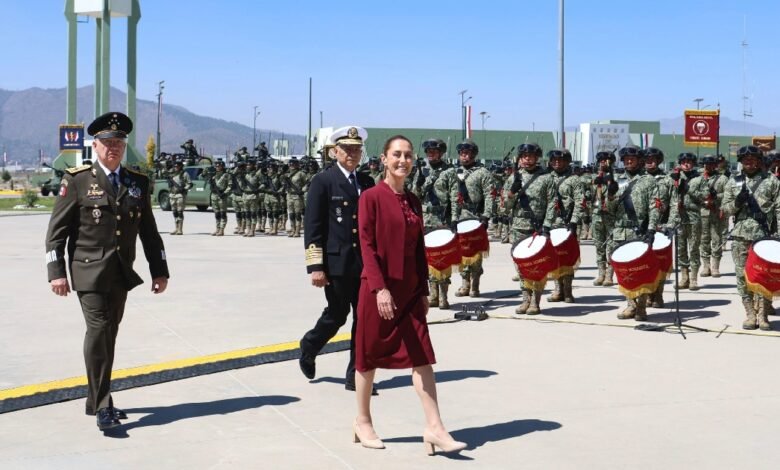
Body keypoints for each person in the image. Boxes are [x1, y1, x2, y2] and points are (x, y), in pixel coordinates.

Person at [44, 111, 169, 431]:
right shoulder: (77, 179)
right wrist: (56, 272)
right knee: (99, 331)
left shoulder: (137, 182)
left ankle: (94, 398)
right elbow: (56, 233)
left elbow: (150, 233)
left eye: (119, 142)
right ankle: (103, 405)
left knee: (109, 334)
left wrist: (160, 270)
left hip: (121, 271)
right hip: (87, 271)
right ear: (95, 146)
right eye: (107, 142)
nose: (113, 147)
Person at [353, 135, 466, 455]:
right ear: (384, 159)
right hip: (379, 291)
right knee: (368, 358)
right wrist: (380, 289)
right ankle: (362, 421)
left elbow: (419, 250)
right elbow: (367, 247)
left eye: (407, 155)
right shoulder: (371, 198)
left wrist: (424, 291)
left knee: (423, 358)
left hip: (410, 292)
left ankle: (435, 428)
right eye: (396, 155)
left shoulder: (413, 200)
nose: (403, 160)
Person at [299, 126, 377, 393]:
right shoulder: (324, 181)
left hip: (365, 264)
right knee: (337, 315)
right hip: (337, 264)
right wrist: (316, 266)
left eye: (357, 149)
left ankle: (356, 375)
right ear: (335, 152)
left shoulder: (367, 182)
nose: (352, 154)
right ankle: (310, 345)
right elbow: (313, 226)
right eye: (347, 149)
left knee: (364, 320)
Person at [721, 145, 779, 330]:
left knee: (763, 275)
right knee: (742, 276)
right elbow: (725, 209)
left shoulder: (771, 181)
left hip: (764, 237)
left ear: (759, 161)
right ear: (741, 162)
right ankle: (750, 314)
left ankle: (763, 314)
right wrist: (737, 202)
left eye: (753, 159)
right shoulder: (733, 182)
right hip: (740, 236)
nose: (749, 163)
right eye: (746, 160)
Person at [607, 145, 659, 321]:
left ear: (640, 161)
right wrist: (610, 196)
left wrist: (651, 229)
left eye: (633, 159)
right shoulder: (618, 181)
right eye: (626, 159)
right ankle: (631, 305)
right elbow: (609, 210)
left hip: (639, 232)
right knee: (624, 271)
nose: (629, 161)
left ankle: (642, 306)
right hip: (620, 232)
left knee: (640, 270)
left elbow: (654, 208)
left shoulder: (649, 181)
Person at [504, 143, 556, 314]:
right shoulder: (513, 178)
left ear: (537, 158)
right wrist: (512, 193)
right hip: (518, 227)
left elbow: (552, 204)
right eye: (524, 156)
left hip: (538, 228)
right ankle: (525, 299)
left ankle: (536, 301)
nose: (527, 159)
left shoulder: (546, 178)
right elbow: (504, 206)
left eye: (531, 156)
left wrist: (547, 225)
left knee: (537, 266)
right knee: (521, 266)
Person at [412, 138, 456, 309]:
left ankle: (444, 295)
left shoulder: (449, 171)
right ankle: (433, 294)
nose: (431, 155)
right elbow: (416, 196)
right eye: (429, 152)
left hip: (442, 220)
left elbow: (454, 195)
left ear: (441, 153)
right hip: (425, 220)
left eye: (434, 152)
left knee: (442, 259)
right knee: (428, 260)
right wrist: (419, 183)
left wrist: (454, 219)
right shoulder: (421, 170)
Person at [449, 139, 496, 297]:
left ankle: (475, 285)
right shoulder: (454, 172)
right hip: (460, 216)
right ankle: (465, 284)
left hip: (476, 217)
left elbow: (490, 196)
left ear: (474, 155)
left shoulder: (482, 173)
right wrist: (452, 217)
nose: (465, 156)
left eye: (468, 153)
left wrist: (486, 216)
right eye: (462, 153)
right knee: (462, 252)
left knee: (475, 253)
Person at [547, 148, 585, 303]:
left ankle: (568, 290)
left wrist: (574, 221)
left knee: (567, 258)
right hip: (550, 225)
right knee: (554, 258)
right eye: (554, 160)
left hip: (568, 223)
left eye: (561, 160)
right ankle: (557, 289)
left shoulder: (574, 180)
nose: (557, 163)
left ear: (567, 161)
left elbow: (580, 203)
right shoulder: (545, 178)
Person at [667, 153, 705, 290]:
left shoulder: (699, 179)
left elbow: (705, 197)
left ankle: (694, 278)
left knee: (694, 247)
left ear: (693, 163)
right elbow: (667, 194)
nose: (686, 164)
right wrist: (674, 182)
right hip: (679, 217)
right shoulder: (674, 178)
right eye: (684, 162)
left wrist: (689, 190)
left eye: (689, 162)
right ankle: (684, 277)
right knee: (680, 249)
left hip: (693, 217)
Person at [644, 147, 674, 307]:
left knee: (661, 262)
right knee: (645, 262)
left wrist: (671, 224)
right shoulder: (638, 179)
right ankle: (648, 294)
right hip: (642, 227)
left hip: (662, 226)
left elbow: (674, 203)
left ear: (659, 161)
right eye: (647, 159)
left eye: (654, 159)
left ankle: (658, 294)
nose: (650, 162)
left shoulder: (667, 180)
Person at [698, 154, 729, 278]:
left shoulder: (722, 179)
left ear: (715, 165)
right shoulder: (699, 178)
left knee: (717, 240)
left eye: (711, 164)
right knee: (704, 240)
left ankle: (715, 267)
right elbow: (692, 193)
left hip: (716, 212)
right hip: (703, 213)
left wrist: (716, 197)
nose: (709, 167)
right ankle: (706, 266)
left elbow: (727, 194)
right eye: (706, 164)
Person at [591, 151, 618, 286]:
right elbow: (587, 195)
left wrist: (610, 181)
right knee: (599, 245)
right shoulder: (592, 177)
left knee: (612, 245)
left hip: (611, 215)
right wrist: (593, 185)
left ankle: (609, 274)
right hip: (597, 214)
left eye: (606, 160)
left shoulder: (616, 176)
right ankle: (601, 273)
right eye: (601, 160)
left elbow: (618, 193)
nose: (603, 162)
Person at [167, 160, 192, 235]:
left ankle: (180, 229)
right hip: (172, 195)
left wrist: (184, 189)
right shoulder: (172, 174)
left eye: (177, 166)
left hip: (180, 195)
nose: (176, 167)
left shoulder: (184, 174)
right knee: (174, 212)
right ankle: (176, 228)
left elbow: (190, 184)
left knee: (180, 212)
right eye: (175, 166)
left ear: (181, 166)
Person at [207, 159, 232, 236]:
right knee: (217, 213)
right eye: (216, 166)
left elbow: (230, 186)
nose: (217, 167)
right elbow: (201, 176)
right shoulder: (213, 175)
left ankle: (222, 229)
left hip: (222, 195)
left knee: (222, 213)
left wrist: (225, 193)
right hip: (214, 195)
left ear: (222, 166)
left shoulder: (226, 175)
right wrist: (206, 171)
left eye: (219, 166)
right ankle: (217, 228)